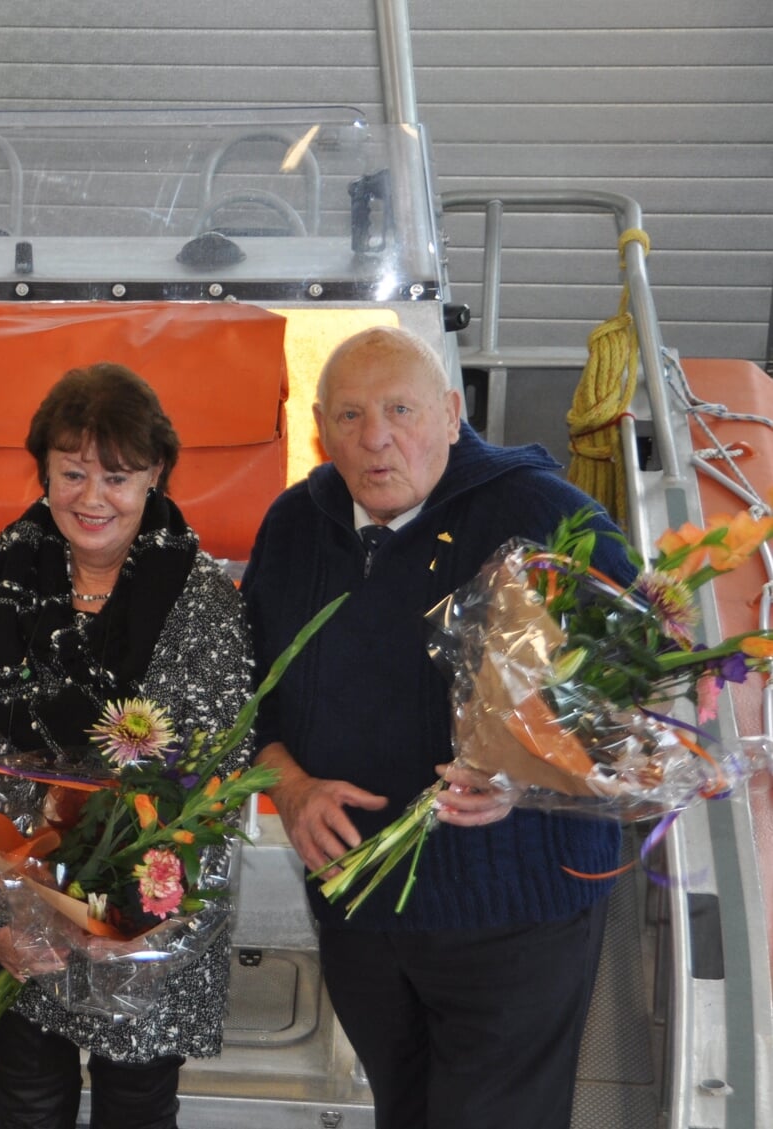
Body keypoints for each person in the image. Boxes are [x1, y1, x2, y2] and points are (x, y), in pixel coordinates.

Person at [241, 325, 629, 1129]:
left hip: (513, 914)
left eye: (400, 409)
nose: (376, 437)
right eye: (348, 416)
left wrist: (529, 772)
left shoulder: (544, 512)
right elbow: (248, 699)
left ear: (452, 414)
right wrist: (289, 783)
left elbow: (635, 682)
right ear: (320, 429)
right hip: (362, 910)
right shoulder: (292, 527)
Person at [0, 363, 253, 1129]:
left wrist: (136, 918)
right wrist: (1, 913)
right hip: (16, 909)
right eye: (72, 472)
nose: (91, 497)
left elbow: (211, 778)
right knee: (28, 1101)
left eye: (116, 475)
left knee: (136, 1109)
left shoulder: (201, 597)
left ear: (155, 475)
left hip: (143, 917)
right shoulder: (0, 575)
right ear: (43, 471)